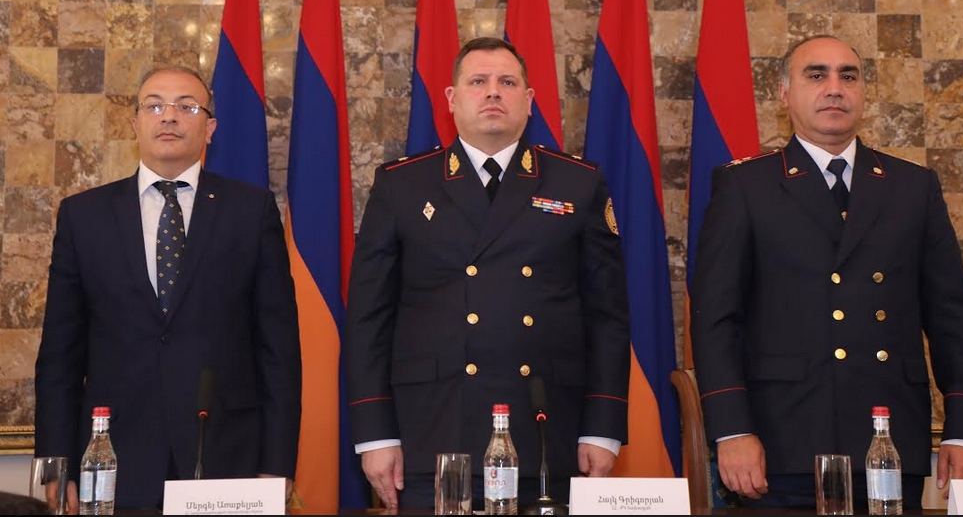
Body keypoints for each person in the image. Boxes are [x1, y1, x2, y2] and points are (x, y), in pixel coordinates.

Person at [691, 35, 963, 511]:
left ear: (864, 92)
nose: (834, 88)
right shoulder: (745, 185)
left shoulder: (912, 187)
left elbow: (952, 316)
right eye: (816, 75)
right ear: (784, 94)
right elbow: (716, 320)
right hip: (781, 443)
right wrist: (732, 430)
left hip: (889, 442)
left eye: (848, 76)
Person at [345, 36, 630, 510]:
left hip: (545, 430)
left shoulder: (577, 182)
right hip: (430, 431)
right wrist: (375, 435)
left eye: (507, 82)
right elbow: (368, 318)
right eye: (478, 81)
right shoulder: (402, 184)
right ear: (452, 99)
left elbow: (607, 316)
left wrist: (602, 428)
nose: (493, 92)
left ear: (529, 100)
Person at [34, 66, 302, 512]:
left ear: (210, 128)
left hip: (227, 455)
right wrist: (56, 462)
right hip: (112, 458)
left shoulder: (250, 212)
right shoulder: (84, 216)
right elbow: (60, 352)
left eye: (187, 107)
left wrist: (277, 463)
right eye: (154, 106)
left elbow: (279, 350)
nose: (170, 116)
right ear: (135, 123)